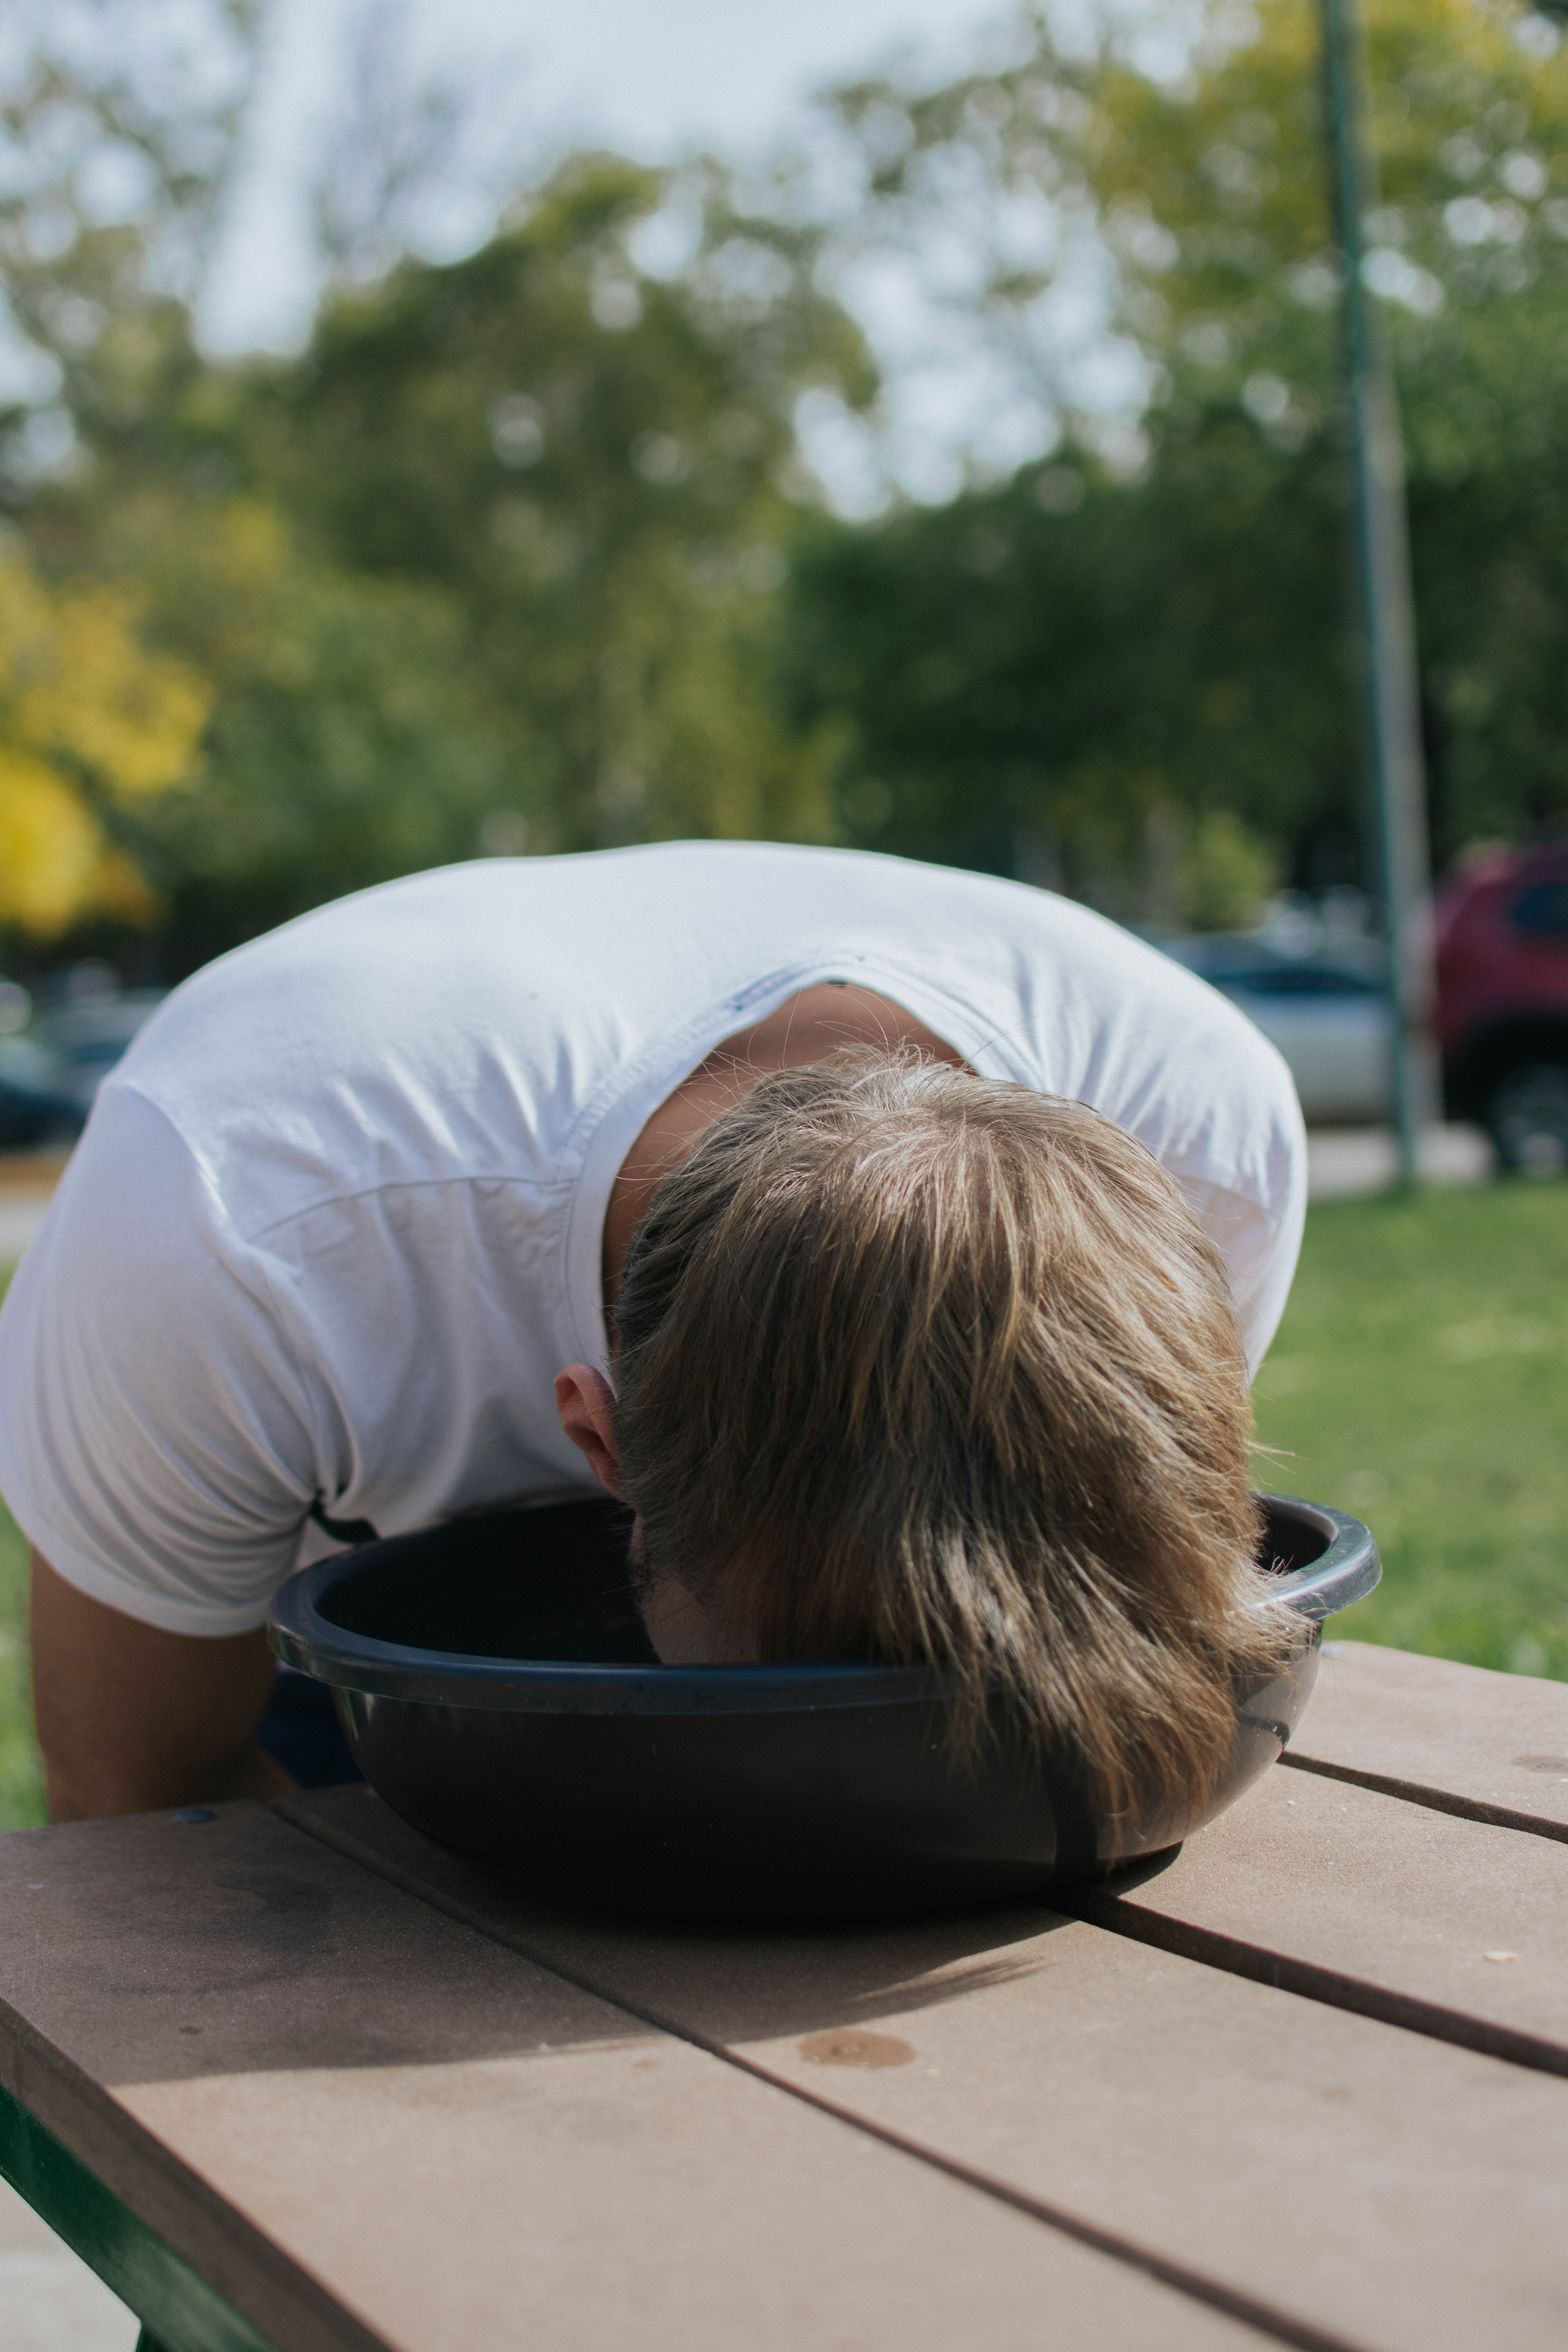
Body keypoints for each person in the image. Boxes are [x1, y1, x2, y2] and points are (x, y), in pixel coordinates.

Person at [1, 842, 1306, 1824]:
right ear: (599, 1442)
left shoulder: (1200, 1151)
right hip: (343, 1650)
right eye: (790, 1695)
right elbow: (145, 1809)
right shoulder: (231, 1228)